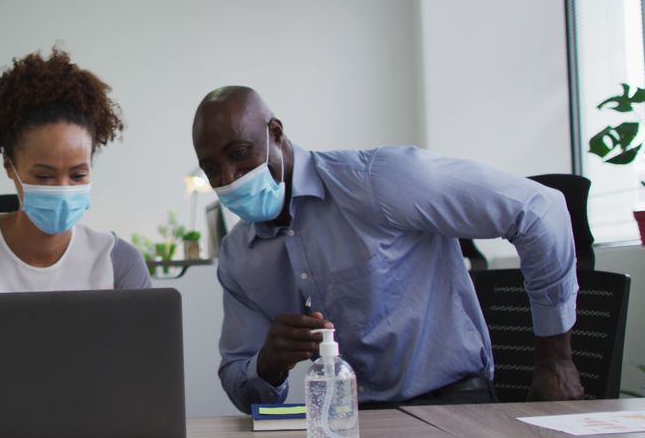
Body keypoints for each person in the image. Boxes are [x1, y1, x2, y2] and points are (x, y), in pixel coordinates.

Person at [191, 86, 584, 413]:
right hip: (342, 422)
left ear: (275, 133)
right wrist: (269, 365)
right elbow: (239, 381)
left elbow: (540, 209)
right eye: (211, 169)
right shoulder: (239, 255)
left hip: (452, 406)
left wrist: (555, 360)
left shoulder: (378, 181)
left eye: (240, 153)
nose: (229, 178)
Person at [0, 49, 153, 423]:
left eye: (78, 175)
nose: (63, 188)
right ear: (9, 168)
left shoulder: (119, 262)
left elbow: (148, 386)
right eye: (44, 176)